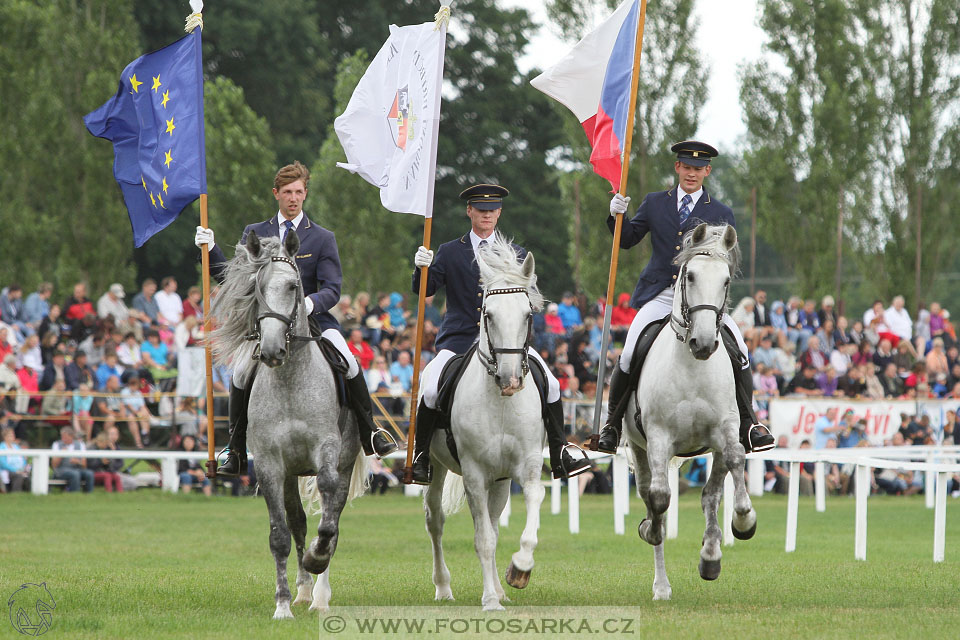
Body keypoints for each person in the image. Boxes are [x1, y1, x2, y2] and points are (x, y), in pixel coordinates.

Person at [196, 161, 396, 475]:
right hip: (267, 326)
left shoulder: (321, 237)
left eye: (299, 192)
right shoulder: (255, 233)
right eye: (287, 192)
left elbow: (332, 288)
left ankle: (370, 432)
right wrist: (210, 250)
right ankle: (234, 448)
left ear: (305, 194)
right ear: (276, 194)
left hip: (314, 323)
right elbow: (232, 281)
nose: (293, 198)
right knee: (239, 375)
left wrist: (307, 303)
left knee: (350, 361)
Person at [598, 141, 774, 454]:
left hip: (703, 298)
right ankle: (611, 426)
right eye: (686, 167)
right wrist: (616, 217)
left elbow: (726, 262)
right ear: (677, 167)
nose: (692, 174)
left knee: (742, 350)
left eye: (698, 169)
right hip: (662, 294)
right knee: (627, 353)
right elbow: (626, 241)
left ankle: (749, 422)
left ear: (707, 171)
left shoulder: (720, 211)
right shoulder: (655, 203)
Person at [409, 183, 590, 484]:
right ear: (470, 211)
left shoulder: (516, 254)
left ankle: (559, 453)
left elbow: (528, 302)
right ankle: (421, 456)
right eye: (481, 210)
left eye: (492, 210)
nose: (487, 215)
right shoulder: (451, 251)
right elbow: (423, 290)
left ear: (500, 213)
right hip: (459, 339)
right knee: (429, 390)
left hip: (507, 343)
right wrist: (421, 269)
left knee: (554, 386)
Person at [51, 426, 95, 492]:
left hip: (77, 468)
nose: (63, 439)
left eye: (65, 437)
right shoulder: (56, 444)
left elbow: (84, 465)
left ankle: (89, 495)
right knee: (75, 474)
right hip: (61, 470)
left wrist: (78, 462)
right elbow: (54, 465)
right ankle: (74, 495)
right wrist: (60, 455)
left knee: (90, 473)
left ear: (71, 436)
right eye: (62, 437)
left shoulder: (80, 445)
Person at [0, 427, 29, 492]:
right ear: (5, 437)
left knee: (27, 477)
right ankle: (16, 493)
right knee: (18, 476)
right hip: (8, 470)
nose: (13, 437)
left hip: (20, 469)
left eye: (13, 435)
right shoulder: (2, 447)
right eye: (10, 435)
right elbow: (3, 463)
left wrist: (22, 468)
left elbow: (23, 459)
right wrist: (15, 470)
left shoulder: (16, 447)